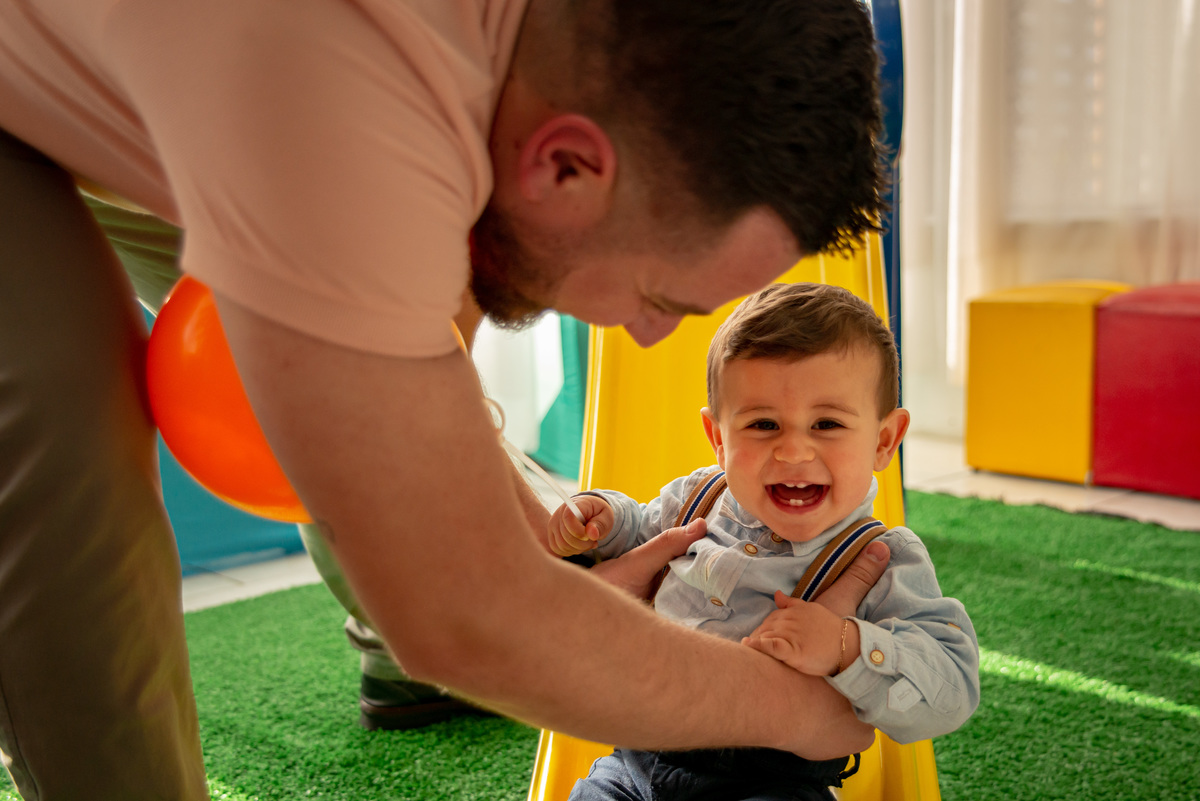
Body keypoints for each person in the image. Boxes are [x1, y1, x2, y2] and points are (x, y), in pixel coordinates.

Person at [0, 1, 892, 798]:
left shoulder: (513, 68)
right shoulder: (341, 119)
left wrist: (532, 556)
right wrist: (794, 712)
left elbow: (427, 341)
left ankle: (398, 646)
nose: (654, 337)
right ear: (569, 163)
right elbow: (466, 614)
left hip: (163, 62)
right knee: (66, 437)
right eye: (662, 300)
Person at [546, 283, 981, 801]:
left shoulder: (881, 557)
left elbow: (954, 685)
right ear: (718, 437)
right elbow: (639, 531)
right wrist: (604, 517)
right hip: (638, 760)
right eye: (763, 424)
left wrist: (846, 644)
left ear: (884, 441)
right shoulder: (696, 499)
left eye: (827, 423)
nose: (794, 451)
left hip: (770, 779)